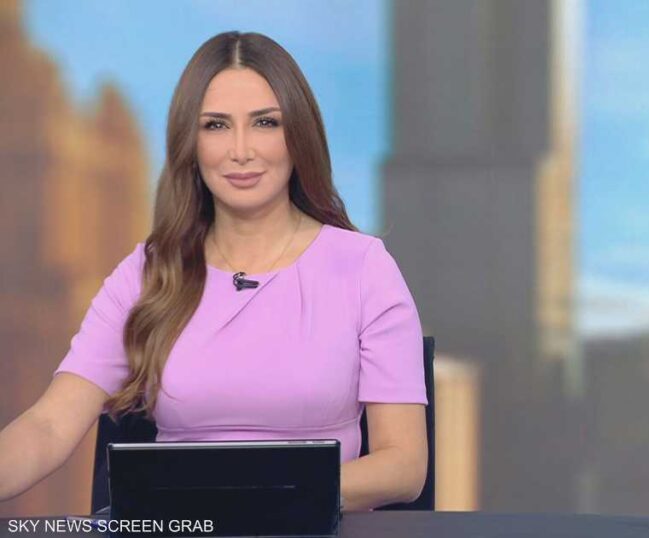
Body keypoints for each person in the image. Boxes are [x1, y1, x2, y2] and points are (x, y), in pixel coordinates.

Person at [0, 31, 427, 512]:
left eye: (264, 122)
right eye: (216, 126)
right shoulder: (147, 272)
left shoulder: (364, 268)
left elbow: (403, 465)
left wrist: (254, 499)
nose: (240, 150)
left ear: (298, 134)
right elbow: (48, 426)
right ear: (191, 141)